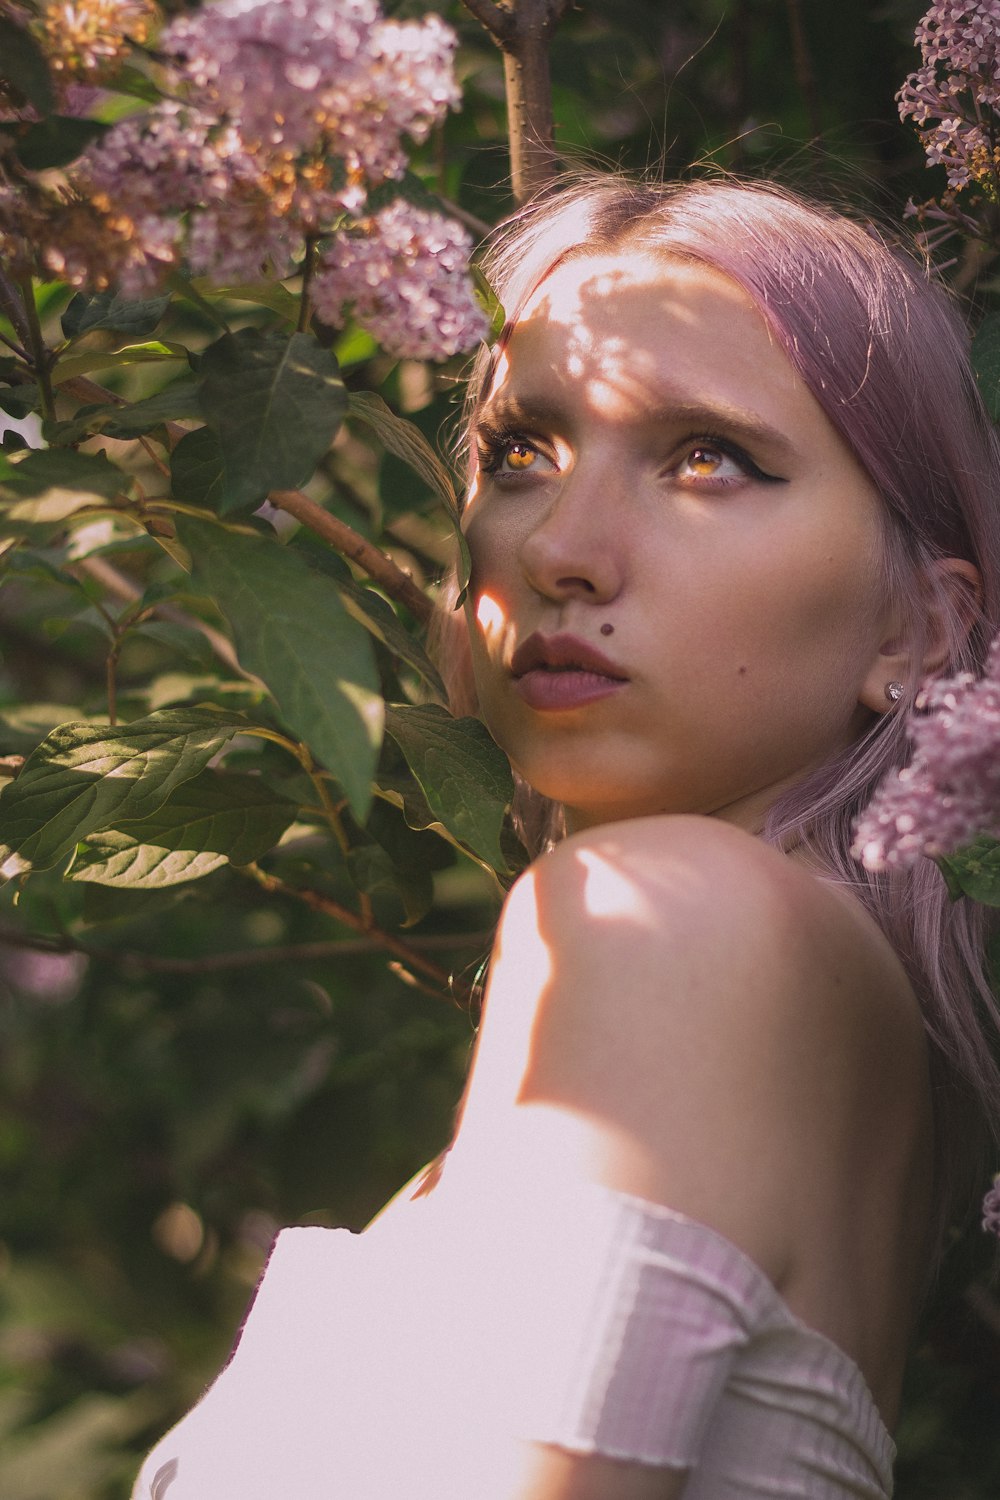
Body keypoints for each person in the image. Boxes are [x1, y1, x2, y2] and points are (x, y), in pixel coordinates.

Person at [133, 173, 1000, 1500]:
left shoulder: (673, 919)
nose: (563, 550)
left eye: (709, 458)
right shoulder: (844, 1023)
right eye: (523, 451)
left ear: (919, 629)